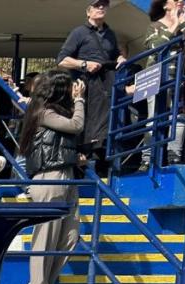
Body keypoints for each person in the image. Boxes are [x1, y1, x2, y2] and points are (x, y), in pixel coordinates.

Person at [20, 69, 86, 284]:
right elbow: (76, 125)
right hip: (49, 177)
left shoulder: (54, 112)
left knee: (70, 236)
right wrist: (79, 100)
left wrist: (75, 157)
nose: (73, 90)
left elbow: (61, 141)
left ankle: (42, 283)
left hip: (66, 175)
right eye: (70, 87)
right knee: (46, 234)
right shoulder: (43, 111)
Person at [57, 0, 125, 168]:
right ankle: (83, 161)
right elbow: (61, 60)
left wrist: (121, 58)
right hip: (86, 86)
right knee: (85, 125)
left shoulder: (110, 34)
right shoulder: (79, 32)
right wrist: (84, 64)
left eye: (104, 5)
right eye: (96, 5)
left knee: (106, 127)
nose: (101, 8)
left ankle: (103, 164)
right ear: (88, 12)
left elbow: (116, 55)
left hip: (106, 87)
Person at [144, 0, 185, 165]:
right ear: (165, 5)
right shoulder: (154, 26)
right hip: (156, 78)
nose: (180, 1)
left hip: (181, 79)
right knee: (154, 118)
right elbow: (155, 46)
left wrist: (184, 21)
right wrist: (174, 25)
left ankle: (174, 158)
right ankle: (147, 159)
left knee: (178, 118)